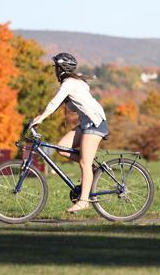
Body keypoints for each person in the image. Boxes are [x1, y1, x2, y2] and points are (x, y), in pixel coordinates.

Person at [30, 52, 109, 213]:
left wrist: (41, 117)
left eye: (55, 67)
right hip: (87, 123)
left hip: (95, 123)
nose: (54, 70)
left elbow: (54, 103)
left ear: (61, 68)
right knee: (61, 148)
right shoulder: (75, 83)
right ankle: (92, 168)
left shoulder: (69, 83)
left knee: (83, 163)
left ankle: (84, 201)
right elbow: (74, 106)